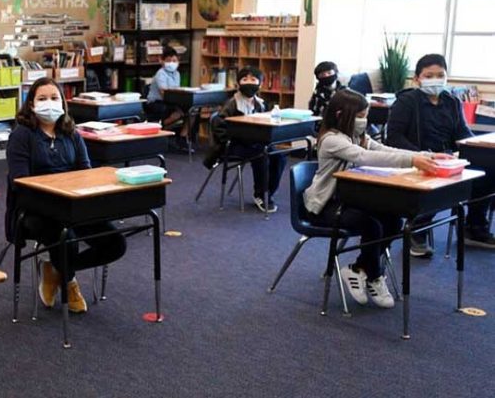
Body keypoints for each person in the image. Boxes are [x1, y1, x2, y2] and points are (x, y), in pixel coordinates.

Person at [303, 89, 446, 308]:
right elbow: (365, 156)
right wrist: (412, 161)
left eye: (365, 115)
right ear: (342, 114)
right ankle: (375, 274)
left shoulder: (357, 136)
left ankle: (359, 270)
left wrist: (425, 156)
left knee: (393, 220)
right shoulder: (332, 139)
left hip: (352, 201)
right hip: (327, 205)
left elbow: (383, 149)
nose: (364, 121)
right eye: (360, 116)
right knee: (372, 226)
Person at [5, 77, 127, 314]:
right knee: (65, 238)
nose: (48, 103)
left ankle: (57, 271)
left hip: (73, 205)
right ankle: (69, 282)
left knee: (115, 243)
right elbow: (20, 182)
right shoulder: (22, 135)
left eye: (54, 98)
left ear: (63, 102)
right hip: (35, 209)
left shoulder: (72, 133)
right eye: (42, 99)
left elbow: (85, 171)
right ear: (30, 104)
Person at [386, 53, 495, 254]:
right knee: (442, 184)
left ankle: (474, 227)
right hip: (418, 160)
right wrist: (423, 156)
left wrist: (476, 146)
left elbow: (463, 133)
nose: (435, 79)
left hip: (449, 160)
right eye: (429, 75)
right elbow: (393, 137)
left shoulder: (451, 101)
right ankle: (417, 231)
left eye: (440, 74)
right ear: (417, 78)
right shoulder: (407, 101)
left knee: (488, 171)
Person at [205, 66, 287, 213]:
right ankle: (260, 194)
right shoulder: (231, 104)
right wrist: (235, 137)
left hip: (256, 142)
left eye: (253, 79)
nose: (249, 82)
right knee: (262, 155)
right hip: (234, 145)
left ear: (260, 84)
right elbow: (219, 127)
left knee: (279, 157)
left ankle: (269, 192)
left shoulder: (260, 104)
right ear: (238, 84)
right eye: (244, 79)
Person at [145, 46, 193, 149]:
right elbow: (165, 94)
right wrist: (178, 108)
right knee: (176, 112)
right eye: (168, 60)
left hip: (172, 101)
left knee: (193, 110)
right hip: (156, 102)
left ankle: (182, 137)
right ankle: (159, 128)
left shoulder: (177, 74)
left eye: (174, 60)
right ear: (162, 61)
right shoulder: (160, 74)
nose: (172, 63)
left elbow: (176, 91)